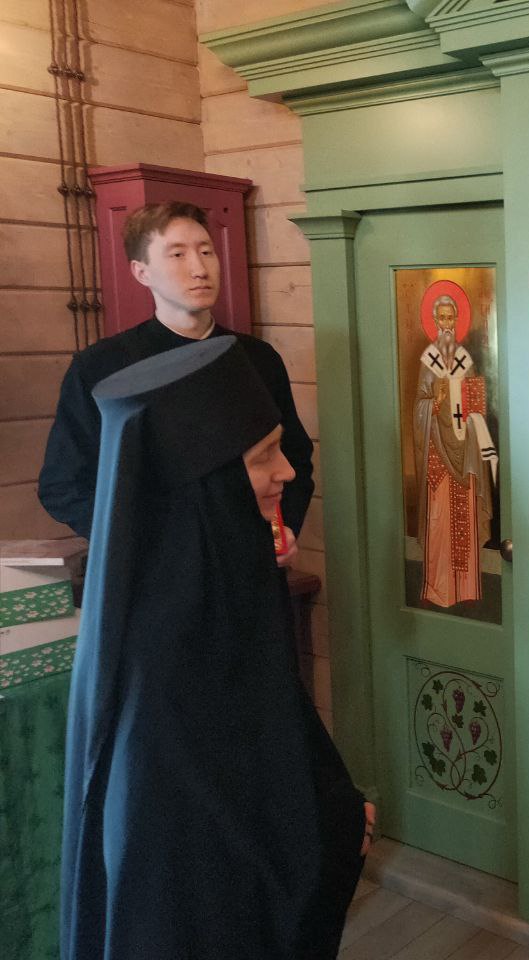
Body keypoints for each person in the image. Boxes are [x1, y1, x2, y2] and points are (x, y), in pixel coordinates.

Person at [60, 338, 373, 960]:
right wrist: (327, 824)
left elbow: (268, 731)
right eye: (262, 457)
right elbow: (209, 862)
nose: (287, 472)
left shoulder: (223, 581)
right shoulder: (162, 644)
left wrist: (333, 805)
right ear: (206, 483)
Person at [38, 201, 313, 564]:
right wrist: (140, 543)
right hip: (160, 573)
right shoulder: (100, 367)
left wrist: (284, 527)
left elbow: (295, 456)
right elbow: (64, 484)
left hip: (250, 561)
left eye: (206, 252)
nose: (199, 269)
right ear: (141, 272)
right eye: (178, 254)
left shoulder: (258, 358)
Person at [412, 293, 497, 607]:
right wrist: (435, 402)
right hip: (438, 451)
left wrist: (472, 406)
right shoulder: (428, 360)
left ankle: (466, 588)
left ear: (457, 321)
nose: (447, 324)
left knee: (465, 514)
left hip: (466, 448)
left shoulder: (465, 358)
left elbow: (476, 405)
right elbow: (419, 407)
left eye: (451, 318)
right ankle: (440, 587)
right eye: (442, 318)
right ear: (435, 321)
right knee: (440, 518)